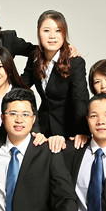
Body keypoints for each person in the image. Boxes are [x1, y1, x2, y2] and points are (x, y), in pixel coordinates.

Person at [22, 10, 89, 141]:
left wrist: (82, 132)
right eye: (46, 31)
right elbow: (21, 84)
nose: (52, 36)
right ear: (38, 32)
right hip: (41, 131)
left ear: (64, 34)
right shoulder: (34, 57)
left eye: (58, 31)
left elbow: (80, 99)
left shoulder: (75, 62)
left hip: (69, 132)